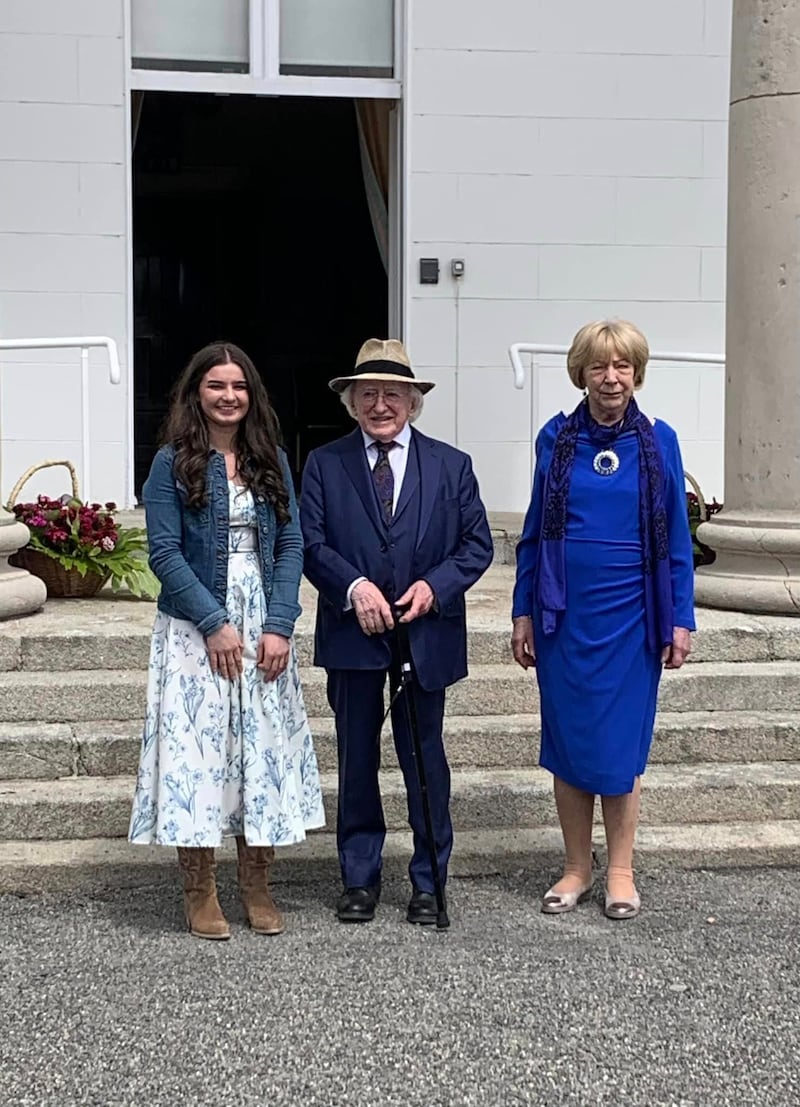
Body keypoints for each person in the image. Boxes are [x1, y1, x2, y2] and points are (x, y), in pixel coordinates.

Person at [129, 341, 324, 940]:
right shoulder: (171, 462)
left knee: (258, 749)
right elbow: (163, 550)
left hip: (263, 617)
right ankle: (200, 890)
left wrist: (280, 625)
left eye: (238, 386)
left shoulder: (270, 458)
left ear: (251, 395)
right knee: (198, 752)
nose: (228, 396)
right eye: (216, 386)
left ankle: (256, 885)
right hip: (195, 626)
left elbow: (291, 545)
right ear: (197, 393)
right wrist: (213, 622)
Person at [300, 338, 493, 925]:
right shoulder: (324, 463)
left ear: (413, 401)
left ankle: (430, 881)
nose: (380, 404)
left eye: (392, 394)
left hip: (425, 631)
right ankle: (359, 876)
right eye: (368, 394)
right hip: (352, 630)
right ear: (352, 403)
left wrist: (435, 587)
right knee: (356, 757)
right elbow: (310, 543)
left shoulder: (451, 464)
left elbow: (476, 545)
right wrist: (353, 587)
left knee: (423, 758)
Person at [511, 319, 695, 920]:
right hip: (564, 616)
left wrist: (681, 618)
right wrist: (522, 611)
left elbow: (676, 540)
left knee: (618, 751)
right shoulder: (555, 439)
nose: (611, 377)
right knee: (569, 746)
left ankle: (620, 870)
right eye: (599, 366)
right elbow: (534, 532)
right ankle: (575, 867)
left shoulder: (659, 440)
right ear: (581, 373)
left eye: (622, 366)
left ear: (636, 373)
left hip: (634, 619)